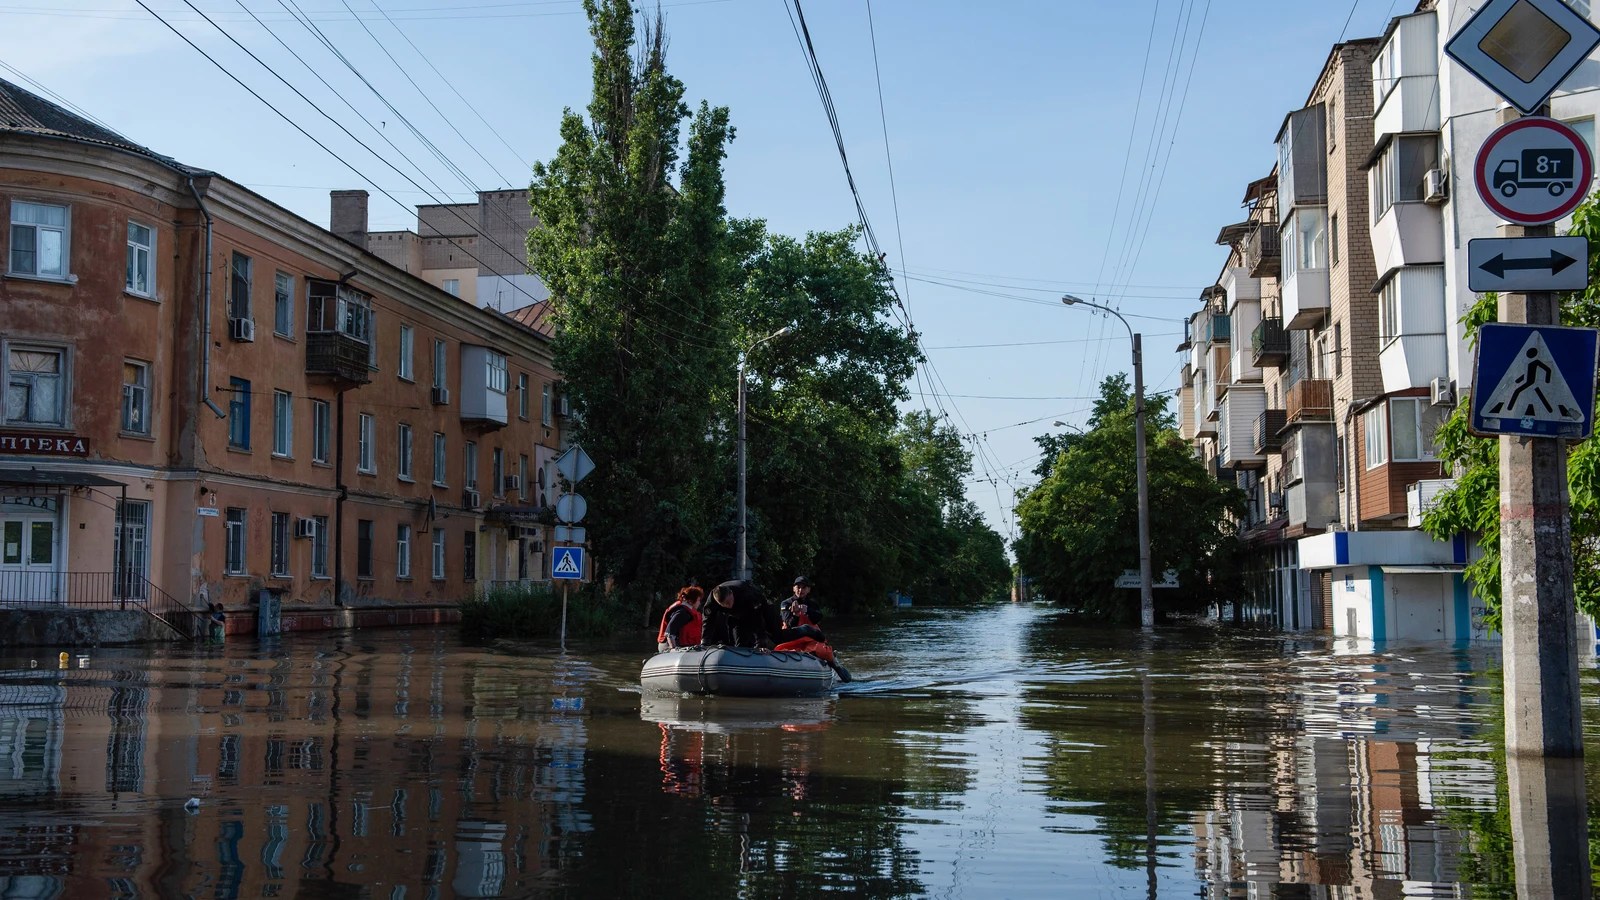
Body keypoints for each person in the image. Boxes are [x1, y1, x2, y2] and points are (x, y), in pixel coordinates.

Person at [656, 585, 705, 652]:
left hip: (679, 644)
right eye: (698, 600)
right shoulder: (683, 613)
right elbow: (669, 633)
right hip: (667, 645)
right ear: (690, 601)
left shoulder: (687, 610)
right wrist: (673, 649)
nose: (699, 603)